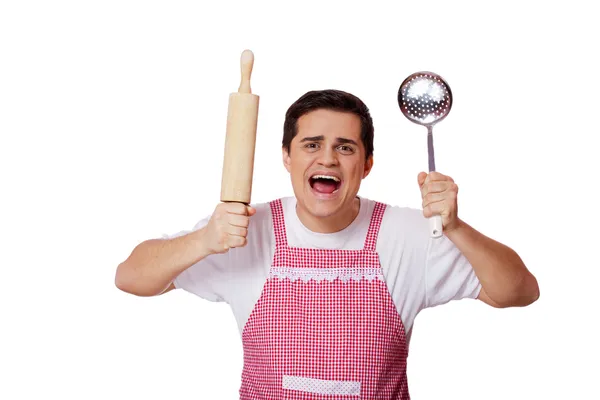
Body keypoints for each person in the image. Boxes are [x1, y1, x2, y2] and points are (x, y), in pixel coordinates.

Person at [115, 89, 539, 399]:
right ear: (287, 157)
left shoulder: (408, 234)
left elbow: (519, 292)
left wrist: (457, 227)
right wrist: (203, 241)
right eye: (312, 145)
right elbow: (130, 277)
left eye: (345, 147)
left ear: (367, 163)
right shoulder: (242, 229)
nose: (328, 159)